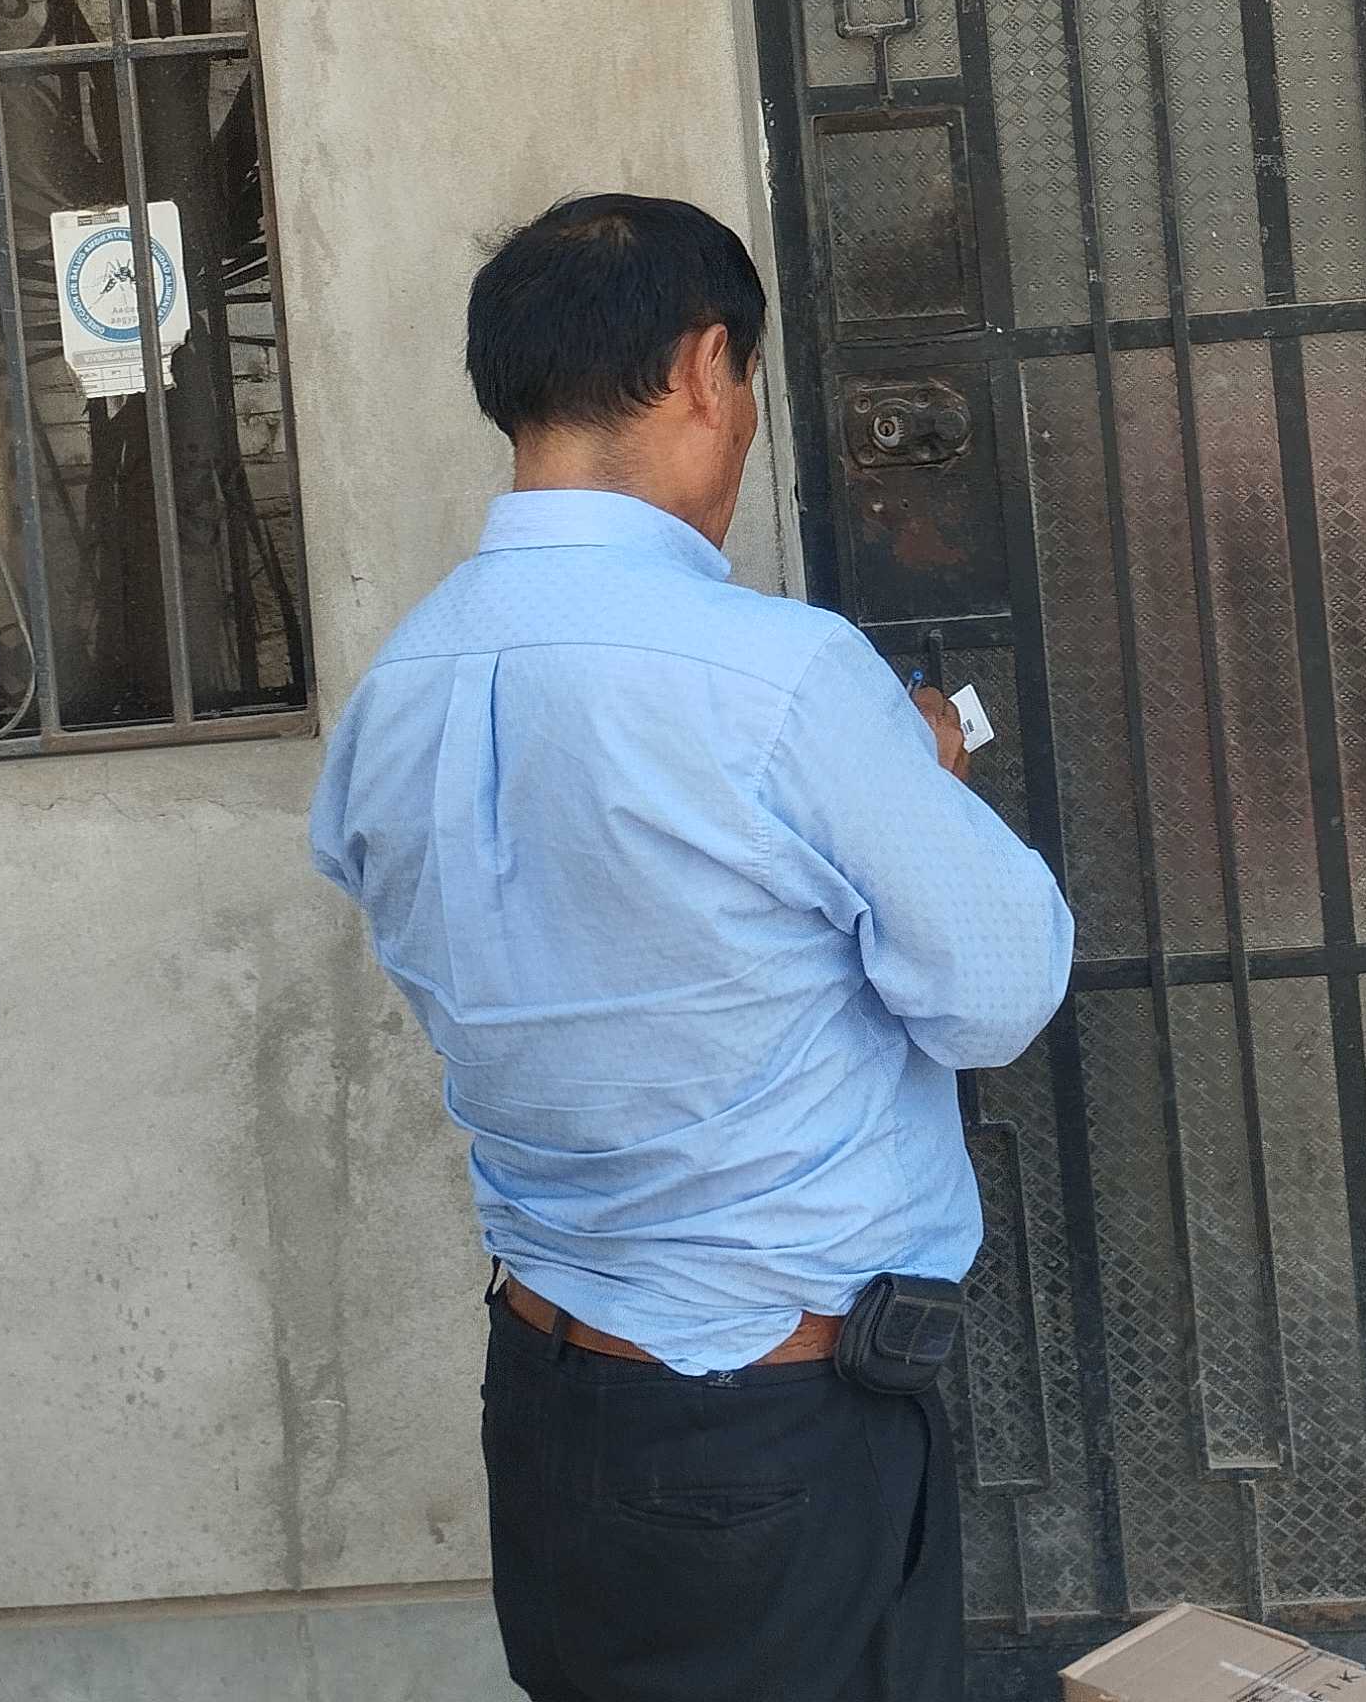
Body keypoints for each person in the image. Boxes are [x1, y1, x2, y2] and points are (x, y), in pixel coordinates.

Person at [310, 192, 1073, 1702]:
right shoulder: (780, 679)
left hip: (547, 1402)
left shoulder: (397, 689)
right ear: (706, 369)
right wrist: (913, 785)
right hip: (766, 1429)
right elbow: (996, 993)